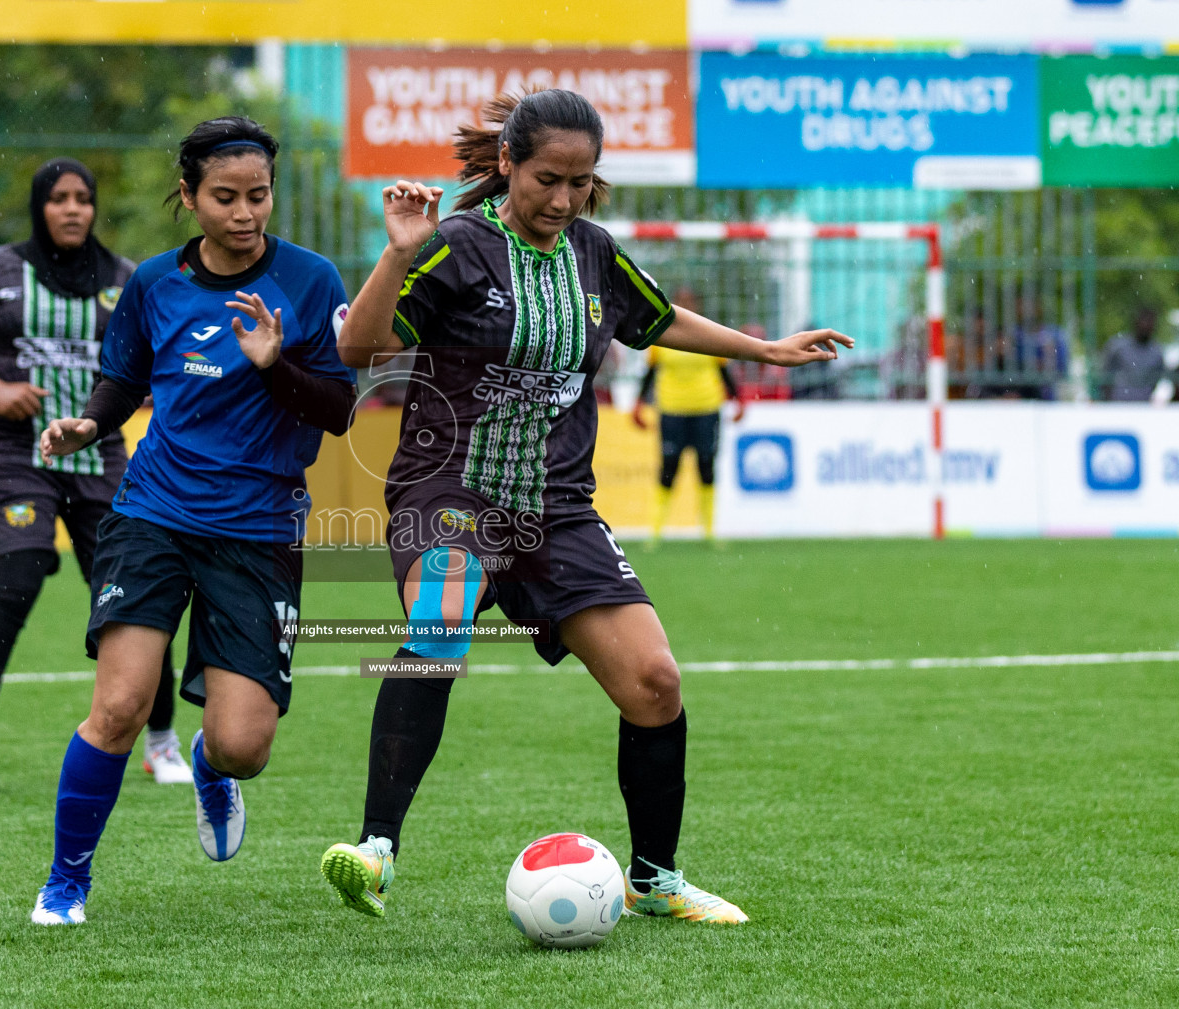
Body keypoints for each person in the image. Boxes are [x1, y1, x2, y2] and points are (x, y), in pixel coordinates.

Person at [320, 89, 852, 925]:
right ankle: (377, 850)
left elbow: (657, 318)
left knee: (654, 683)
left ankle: (654, 881)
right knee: (442, 610)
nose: (562, 199)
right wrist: (397, 255)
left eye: (580, 182)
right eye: (546, 180)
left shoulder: (594, 253)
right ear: (506, 166)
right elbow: (359, 348)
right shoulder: (455, 246)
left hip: (558, 509)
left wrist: (764, 348)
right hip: (451, 488)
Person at [29, 116, 356, 925]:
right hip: (155, 511)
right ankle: (66, 883)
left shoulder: (313, 282)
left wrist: (277, 367)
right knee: (119, 706)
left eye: (259, 196)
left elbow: (342, 411)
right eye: (225, 197)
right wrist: (89, 425)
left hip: (260, 529)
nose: (246, 214)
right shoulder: (153, 284)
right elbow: (122, 379)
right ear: (188, 196)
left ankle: (211, 766)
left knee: (245, 745)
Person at [0, 157, 192, 792]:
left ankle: (161, 743)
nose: (73, 209)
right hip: (18, 457)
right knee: (16, 582)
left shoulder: (127, 280)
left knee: (136, 597)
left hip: (102, 461)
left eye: (83, 199)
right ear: (39, 207)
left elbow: (156, 357)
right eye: (59, 199)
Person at [631, 286, 745, 544]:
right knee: (669, 467)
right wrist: (638, 403)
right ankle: (656, 532)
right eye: (681, 301)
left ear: (697, 304)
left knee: (706, 465)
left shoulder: (708, 332)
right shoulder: (662, 332)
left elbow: (723, 370)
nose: (686, 304)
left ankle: (709, 532)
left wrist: (738, 400)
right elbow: (650, 372)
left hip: (706, 407)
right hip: (672, 408)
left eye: (690, 300)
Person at [1101, 307, 1164, 402]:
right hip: (1117, 405)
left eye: (1149, 323)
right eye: (1144, 322)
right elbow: (1104, 376)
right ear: (1136, 323)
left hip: (1143, 406)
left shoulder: (1157, 352)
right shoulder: (1118, 347)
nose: (1146, 326)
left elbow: (1157, 379)